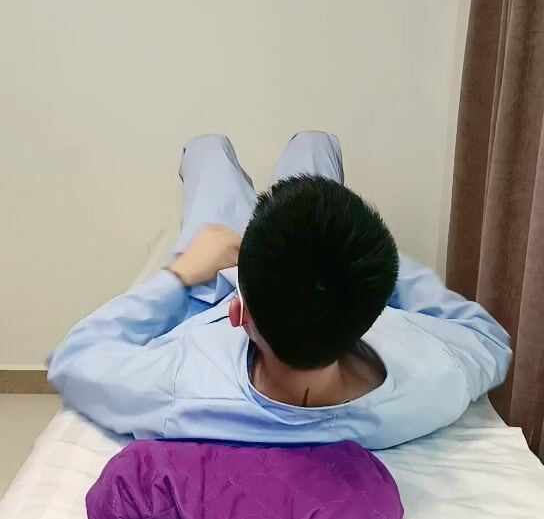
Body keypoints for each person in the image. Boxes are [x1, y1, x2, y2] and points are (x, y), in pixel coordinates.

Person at [48, 133, 511, 450]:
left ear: (238, 313)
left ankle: (215, 159)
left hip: (209, 281)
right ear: (375, 311)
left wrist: (182, 273)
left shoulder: (178, 389)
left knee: (208, 150)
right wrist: (357, 253)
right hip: (303, 279)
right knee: (316, 143)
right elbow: (488, 338)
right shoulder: (432, 383)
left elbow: (76, 358)